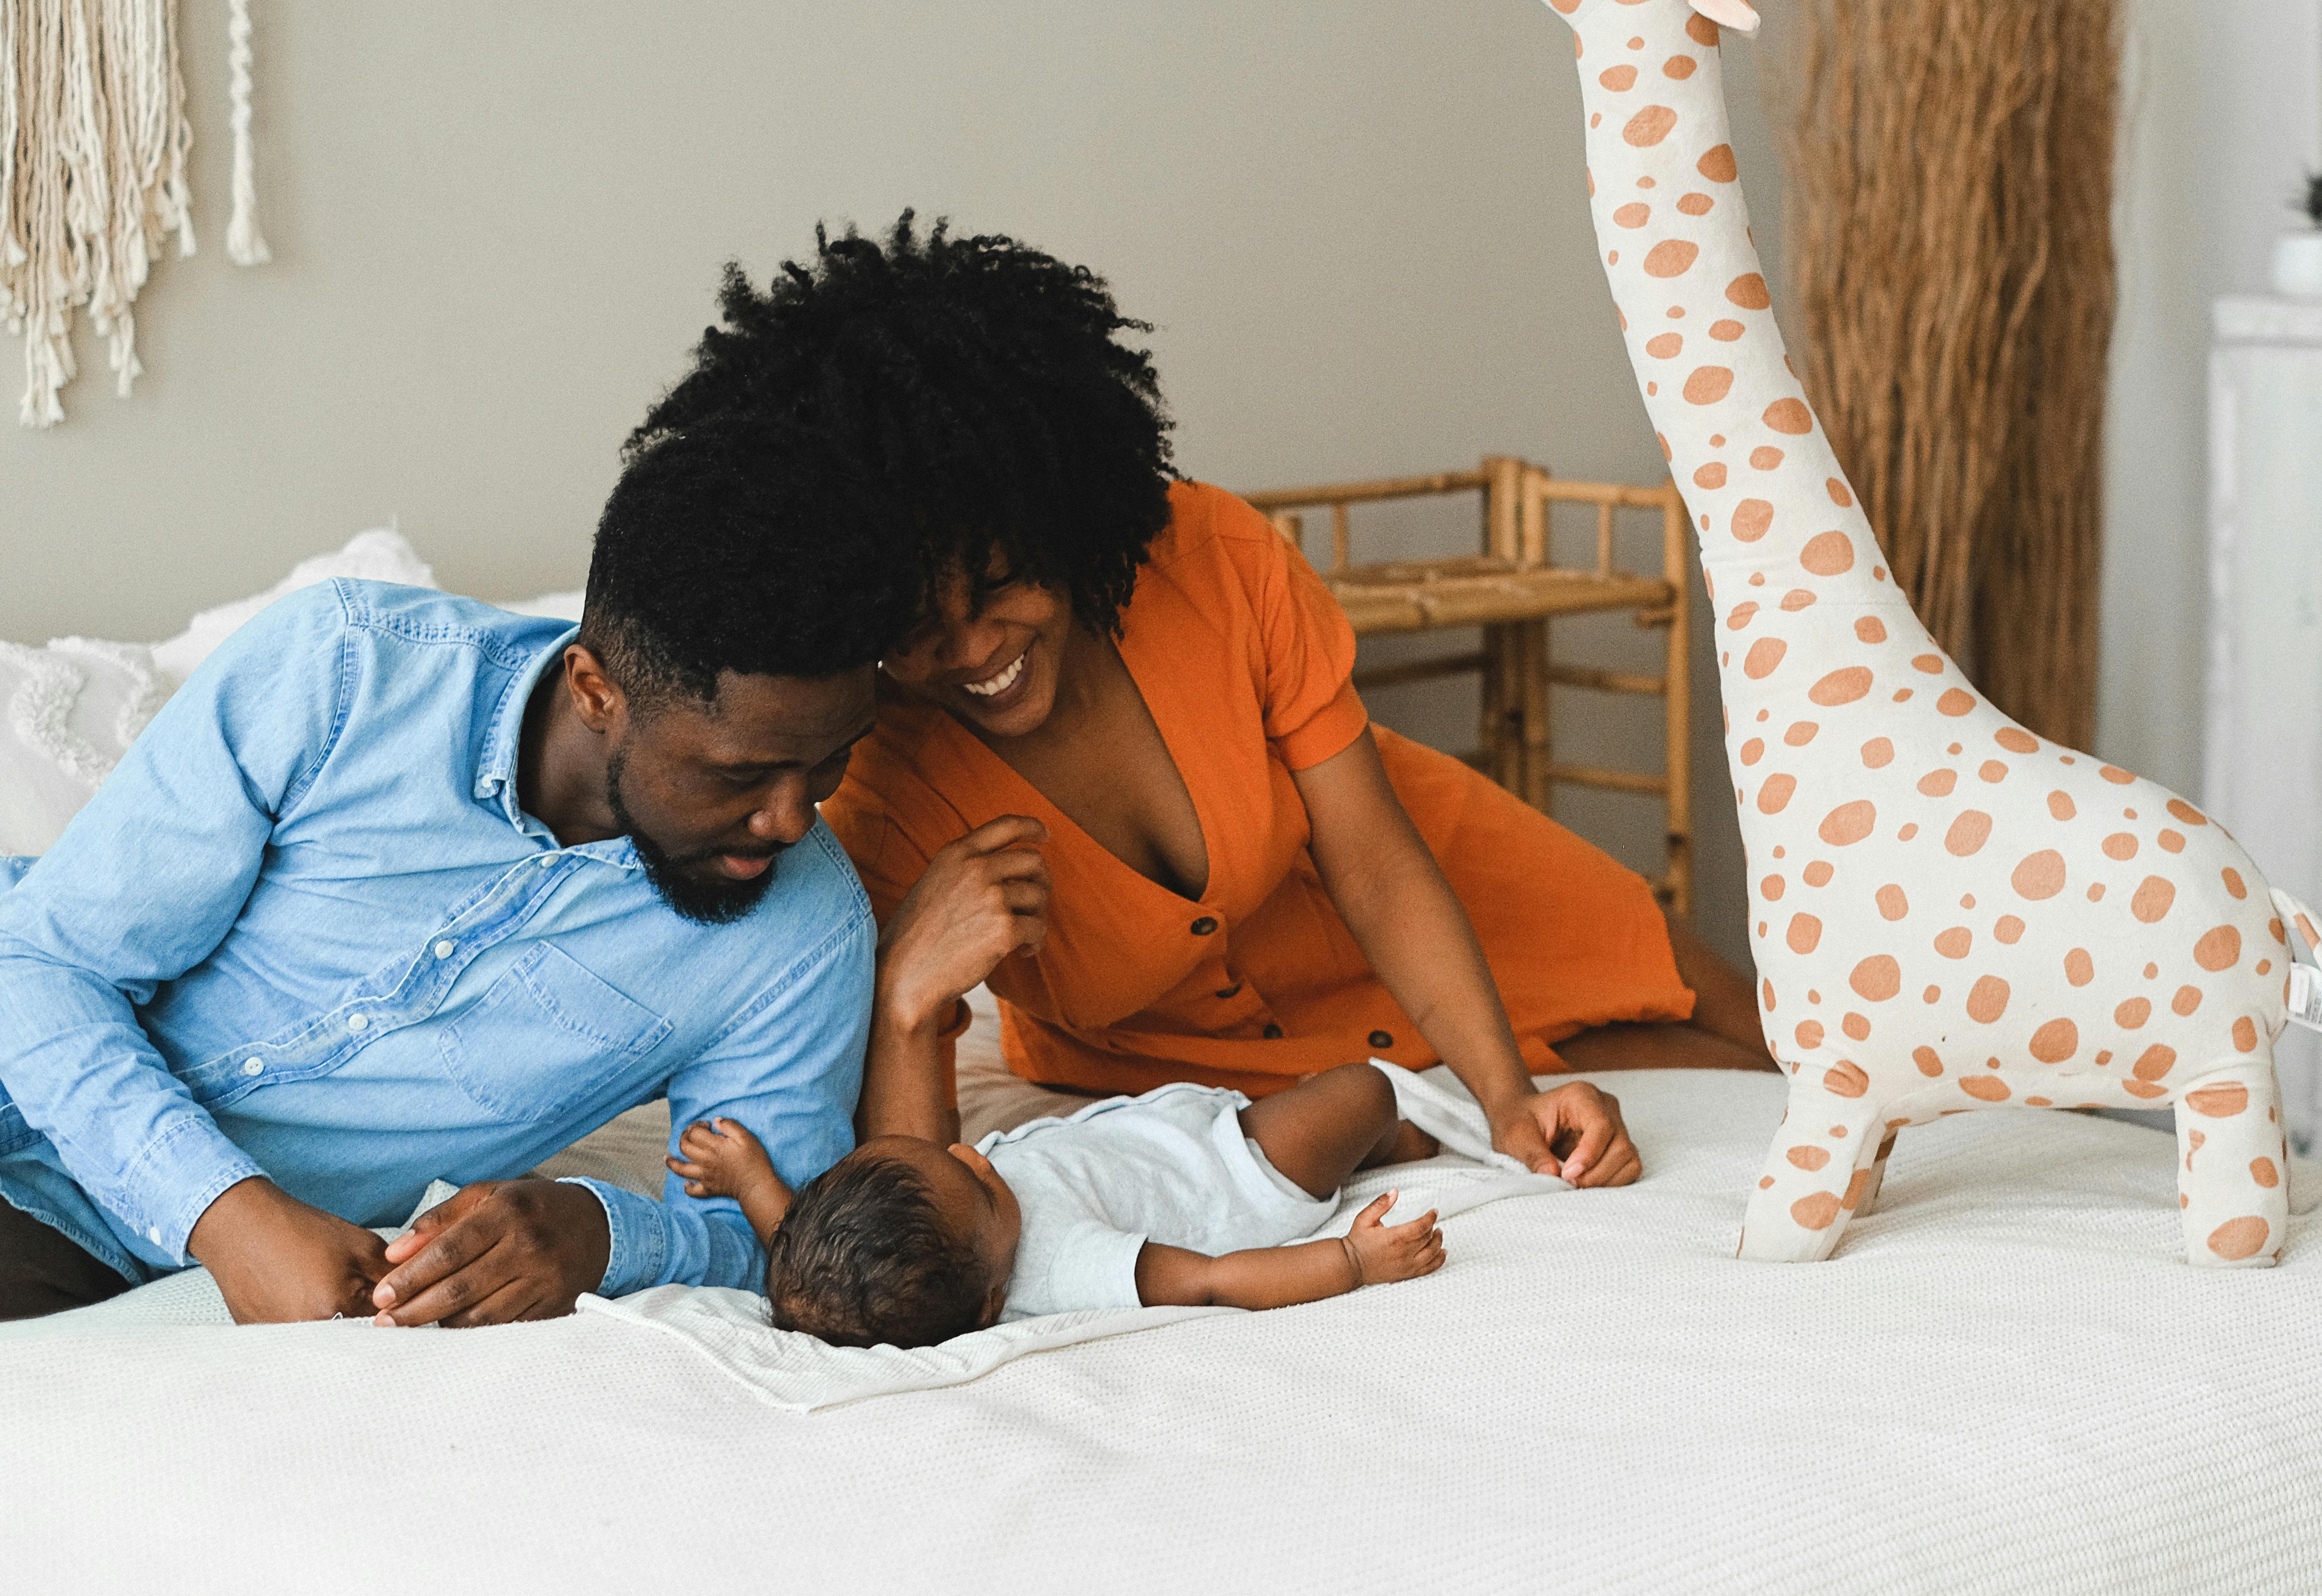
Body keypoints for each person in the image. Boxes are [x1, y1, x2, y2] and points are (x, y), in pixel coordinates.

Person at [631, 217, 1777, 1197]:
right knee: (1659, 1081)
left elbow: (1377, 865)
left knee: (1770, 1040)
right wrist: (909, 993)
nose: (975, 651)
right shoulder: (883, 779)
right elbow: (907, 1188)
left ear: (1065, 516)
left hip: (1441, 894)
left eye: (1002, 586)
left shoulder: (1213, 556)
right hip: (1212, 1052)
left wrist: (1508, 1093)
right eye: (915, 632)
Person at [0, 422, 906, 1325]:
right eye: (740, 773)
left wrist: (603, 1232)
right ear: (595, 690)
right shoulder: (341, 671)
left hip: (64, 1238)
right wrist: (225, 1212)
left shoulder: (804, 936)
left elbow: (774, 1244)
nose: (792, 819)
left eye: (832, 759)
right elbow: (41, 963)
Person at [668, 1060, 1446, 1347]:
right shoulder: (1067, 1267)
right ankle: (1389, 1145)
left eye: (949, 1155)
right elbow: (1214, 1281)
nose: (974, 1154)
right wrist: (1350, 1260)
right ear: (992, 1304)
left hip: (1152, 1128)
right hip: (1238, 1169)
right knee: (1363, 1091)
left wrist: (750, 1180)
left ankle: (1367, 1141)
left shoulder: (885, 1270)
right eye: (976, 1181)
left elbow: (806, 1264)